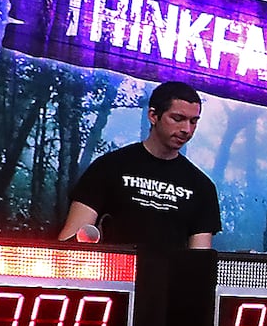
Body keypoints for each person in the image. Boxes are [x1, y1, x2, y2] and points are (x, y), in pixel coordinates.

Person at [59, 81, 221, 250]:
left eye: (193, 121)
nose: (186, 129)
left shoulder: (202, 187)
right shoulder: (108, 167)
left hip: (169, 276)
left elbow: (199, 262)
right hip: (112, 274)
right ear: (153, 116)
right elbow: (71, 242)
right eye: (177, 119)